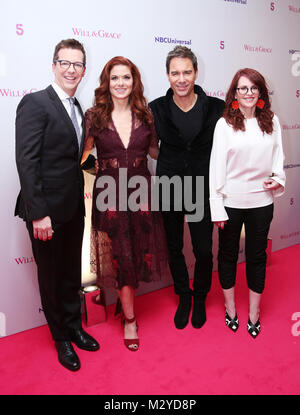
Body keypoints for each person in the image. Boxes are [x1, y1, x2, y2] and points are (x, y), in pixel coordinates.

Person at [15, 39, 99, 371]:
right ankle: (61, 338)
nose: (71, 69)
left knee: (68, 274)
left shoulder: (78, 108)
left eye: (77, 64)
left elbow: (73, 159)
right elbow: (27, 161)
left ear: (83, 70)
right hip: (45, 212)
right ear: (53, 65)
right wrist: (39, 214)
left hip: (73, 208)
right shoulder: (35, 103)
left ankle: (75, 327)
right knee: (50, 276)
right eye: (64, 62)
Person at [81, 56, 168, 351]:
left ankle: (124, 300)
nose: (120, 83)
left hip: (141, 196)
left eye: (126, 78)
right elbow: (82, 156)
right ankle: (130, 319)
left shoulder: (146, 115)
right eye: (115, 78)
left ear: (134, 82)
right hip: (111, 199)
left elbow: (155, 151)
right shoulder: (95, 116)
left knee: (138, 254)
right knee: (123, 257)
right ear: (107, 82)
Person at [149, 46, 224, 330]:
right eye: (175, 73)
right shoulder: (156, 108)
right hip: (169, 185)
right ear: (168, 75)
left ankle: (201, 295)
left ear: (196, 72)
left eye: (187, 72)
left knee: (204, 249)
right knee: (174, 246)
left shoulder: (217, 107)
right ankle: (183, 294)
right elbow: (150, 148)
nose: (181, 79)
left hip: (202, 189)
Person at [209, 68, 285, 338]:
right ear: (234, 94)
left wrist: (278, 179)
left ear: (261, 92)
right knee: (228, 256)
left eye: (254, 88)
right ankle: (230, 308)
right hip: (230, 202)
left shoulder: (272, 121)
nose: (249, 93)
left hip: (262, 201)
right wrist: (216, 207)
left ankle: (253, 313)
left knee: (256, 257)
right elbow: (216, 169)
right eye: (243, 88)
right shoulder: (224, 124)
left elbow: (278, 162)